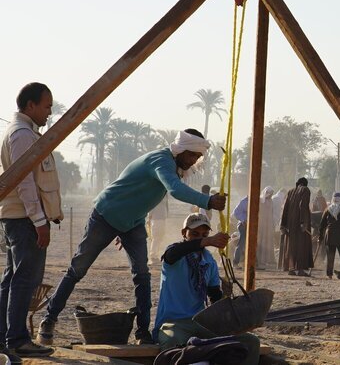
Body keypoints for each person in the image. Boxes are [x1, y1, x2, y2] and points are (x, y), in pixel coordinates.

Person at [38, 129, 227, 346]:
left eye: (197, 157)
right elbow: (175, 190)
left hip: (133, 223)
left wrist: (125, 223)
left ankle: (142, 332)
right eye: (192, 155)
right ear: (181, 149)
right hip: (106, 214)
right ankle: (49, 320)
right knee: (77, 269)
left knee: (142, 275)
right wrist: (208, 201)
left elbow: (143, 194)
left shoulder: (173, 166)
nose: (194, 160)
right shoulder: (161, 161)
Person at [0, 83, 62, 359]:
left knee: (13, 278)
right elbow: (24, 182)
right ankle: (17, 339)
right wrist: (39, 221)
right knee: (24, 280)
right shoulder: (23, 135)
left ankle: (6, 337)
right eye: (46, 106)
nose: (49, 112)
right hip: (24, 219)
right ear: (30, 106)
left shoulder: (24, 133)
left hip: (19, 217)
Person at [153, 213, 261, 365]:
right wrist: (207, 241)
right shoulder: (175, 254)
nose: (200, 238)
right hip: (174, 323)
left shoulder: (209, 261)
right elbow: (171, 255)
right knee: (174, 345)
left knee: (250, 342)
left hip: (201, 323)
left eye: (204, 234)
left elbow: (214, 298)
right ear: (184, 233)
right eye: (195, 234)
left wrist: (226, 295)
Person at [279, 178, 313, 276]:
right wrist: (303, 222)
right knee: (302, 246)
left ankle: (291, 269)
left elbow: (285, 208)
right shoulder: (305, 190)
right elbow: (303, 205)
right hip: (300, 224)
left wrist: (283, 224)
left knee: (291, 246)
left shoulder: (290, 191)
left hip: (290, 224)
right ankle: (301, 269)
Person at [318, 192, 340, 279]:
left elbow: (322, 225)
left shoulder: (328, 209)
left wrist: (320, 237)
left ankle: (329, 274)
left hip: (329, 235)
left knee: (330, 256)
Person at [256, 186, 275, 269]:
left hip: (269, 223)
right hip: (262, 224)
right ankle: (260, 260)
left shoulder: (271, 201)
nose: (270, 195)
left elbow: (271, 212)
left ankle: (267, 259)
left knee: (268, 241)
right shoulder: (261, 201)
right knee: (261, 241)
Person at [148, 197, 170, 265]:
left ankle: (155, 256)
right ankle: (153, 257)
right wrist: (149, 217)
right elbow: (151, 205)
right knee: (156, 238)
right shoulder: (156, 194)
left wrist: (167, 215)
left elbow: (166, 205)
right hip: (156, 219)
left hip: (162, 218)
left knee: (160, 237)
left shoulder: (164, 194)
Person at [231, 196, 249, 267]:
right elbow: (236, 212)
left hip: (252, 225)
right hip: (243, 225)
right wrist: (243, 220)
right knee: (241, 243)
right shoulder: (244, 201)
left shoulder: (257, 200)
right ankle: (235, 262)